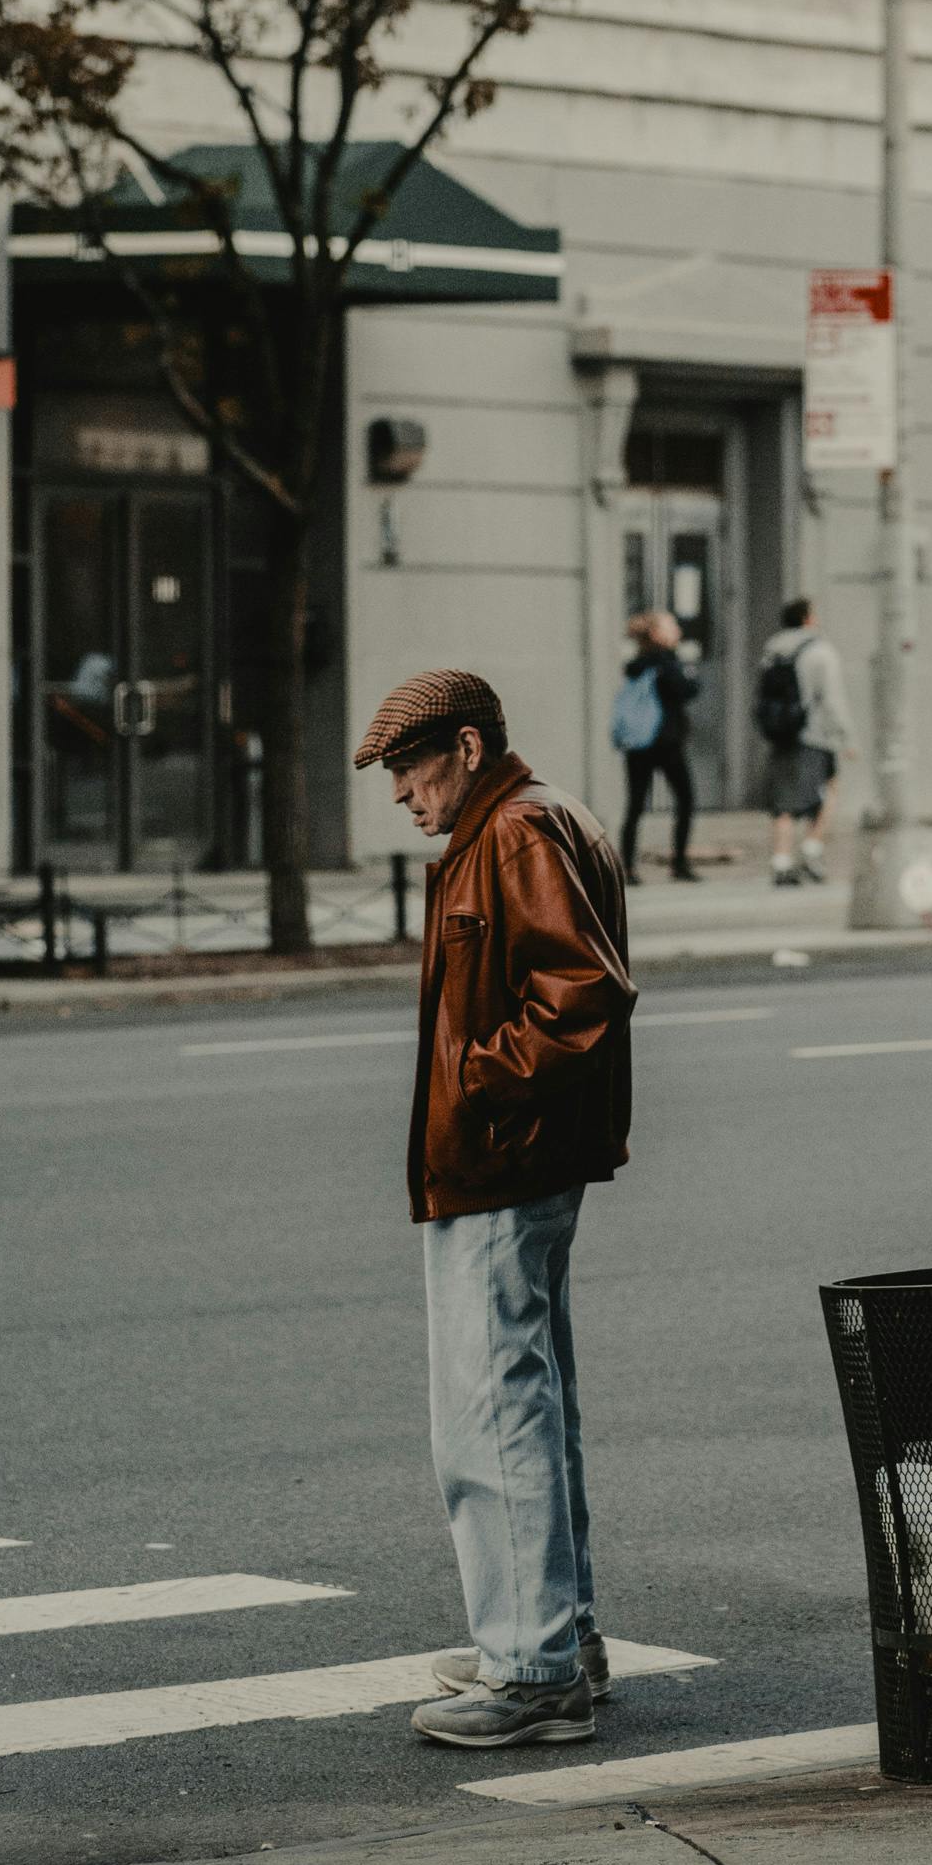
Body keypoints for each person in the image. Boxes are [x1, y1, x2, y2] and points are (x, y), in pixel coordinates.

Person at [355, 668, 635, 1753]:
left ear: (465, 748)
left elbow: (581, 996)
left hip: (502, 1160)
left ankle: (533, 1670)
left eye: (409, 768)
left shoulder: (513, 834)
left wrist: (478, 1081)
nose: (400, 794)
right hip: (518, 1159)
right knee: (527, 1398)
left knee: (493, 1409)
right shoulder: (530, 820)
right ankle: (554, 1642)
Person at [755, 595, 852, 888]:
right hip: (814, 734)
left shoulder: (772, 649)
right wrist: (845, 736)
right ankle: (811, 849)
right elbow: (832, 699)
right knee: (829, 790)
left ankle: (781, 862)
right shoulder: (821, 651)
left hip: (782, 732)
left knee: (783, 802)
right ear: (808, 618)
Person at [612, 611, 699, 884]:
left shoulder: (636, 664)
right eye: (671, 627)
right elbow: (686, 690)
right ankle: (679, 863)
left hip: (638, 743)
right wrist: (690, 670)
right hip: (666, 741)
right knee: (685, 800)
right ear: (657, 633)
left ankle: (627, 867)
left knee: (635, 804)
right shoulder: (667, 661)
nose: (677, 632)